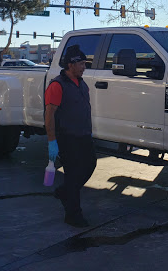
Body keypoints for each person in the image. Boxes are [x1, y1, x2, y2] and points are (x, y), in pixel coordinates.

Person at [45, 44, 96, 227]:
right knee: (73, 175)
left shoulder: (81, 83)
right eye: (81, 64)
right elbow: (49, 114)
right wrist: (52, 141)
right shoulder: (57, 85)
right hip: (67, 137)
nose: (84, 67)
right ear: (70, 65)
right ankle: (73, 214)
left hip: (83, 135)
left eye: (84, 63)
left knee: (90, 164)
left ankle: (65, 191)